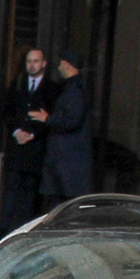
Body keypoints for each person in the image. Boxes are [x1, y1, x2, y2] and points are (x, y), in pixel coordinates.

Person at [0, 47, 55, 238]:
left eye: (36, 61)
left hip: (36, 148)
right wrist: (17, 132)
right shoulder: (17, 84)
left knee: (30, 192)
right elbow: (7, 112)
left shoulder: (52, 88)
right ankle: (4, 229)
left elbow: (51, 118)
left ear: (44, 63)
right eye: (29, 61)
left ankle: (24, 231)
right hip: (17, 146)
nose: (32, 65)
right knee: (11, 189)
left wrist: (33, 135)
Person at [38, 54, 94, 208]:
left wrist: (47, 119)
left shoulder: (74, 90)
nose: (59, 67)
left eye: (61, 64)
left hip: (67, 160)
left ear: (68, 65)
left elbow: (72, 121)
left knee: (64, 204)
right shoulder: (73, 88)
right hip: (65, 160)